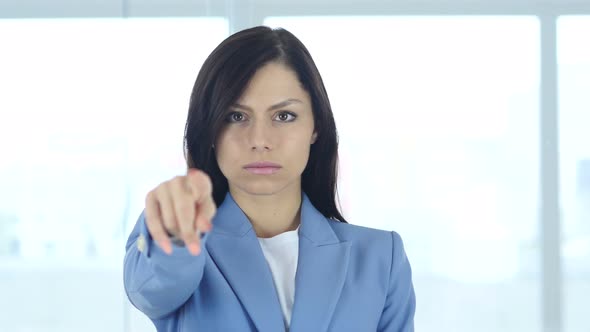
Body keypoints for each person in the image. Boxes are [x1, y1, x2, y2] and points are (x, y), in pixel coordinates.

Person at [123, 26, 415, 332]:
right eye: (236, 116)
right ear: (210, 130)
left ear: (316, 126)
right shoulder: (183, 244)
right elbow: (152, 289)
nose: (260, 140)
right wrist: (175, 233)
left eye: (284, 116)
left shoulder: (380, 258)